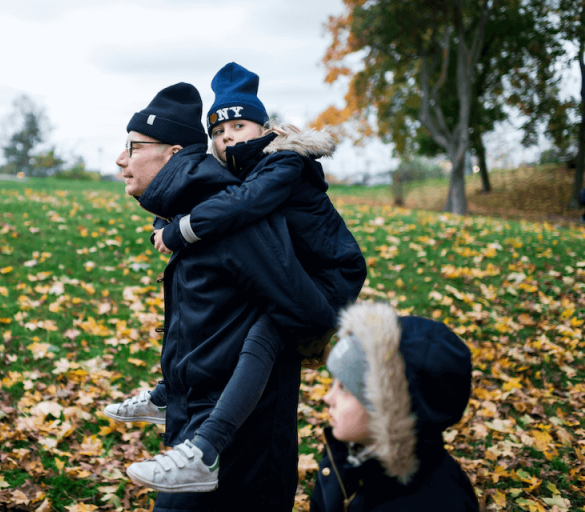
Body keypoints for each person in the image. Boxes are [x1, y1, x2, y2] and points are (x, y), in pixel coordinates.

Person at [106, 62, 366, 491]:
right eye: (218, 133)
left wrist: (182, 228)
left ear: (263, 127)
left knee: (263, 340)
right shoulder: (241, 173)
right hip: (304, 280)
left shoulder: (282, 162)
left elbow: (243, 205)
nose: (226, 138)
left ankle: (206, 449)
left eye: (238, 126)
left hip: (331, 278)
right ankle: (168, 397)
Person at [310, 301, 478, 512]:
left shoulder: (436, 503)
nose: (328, 397)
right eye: (334, 382)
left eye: (345, 388)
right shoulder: (349, 453)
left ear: (389, 410)